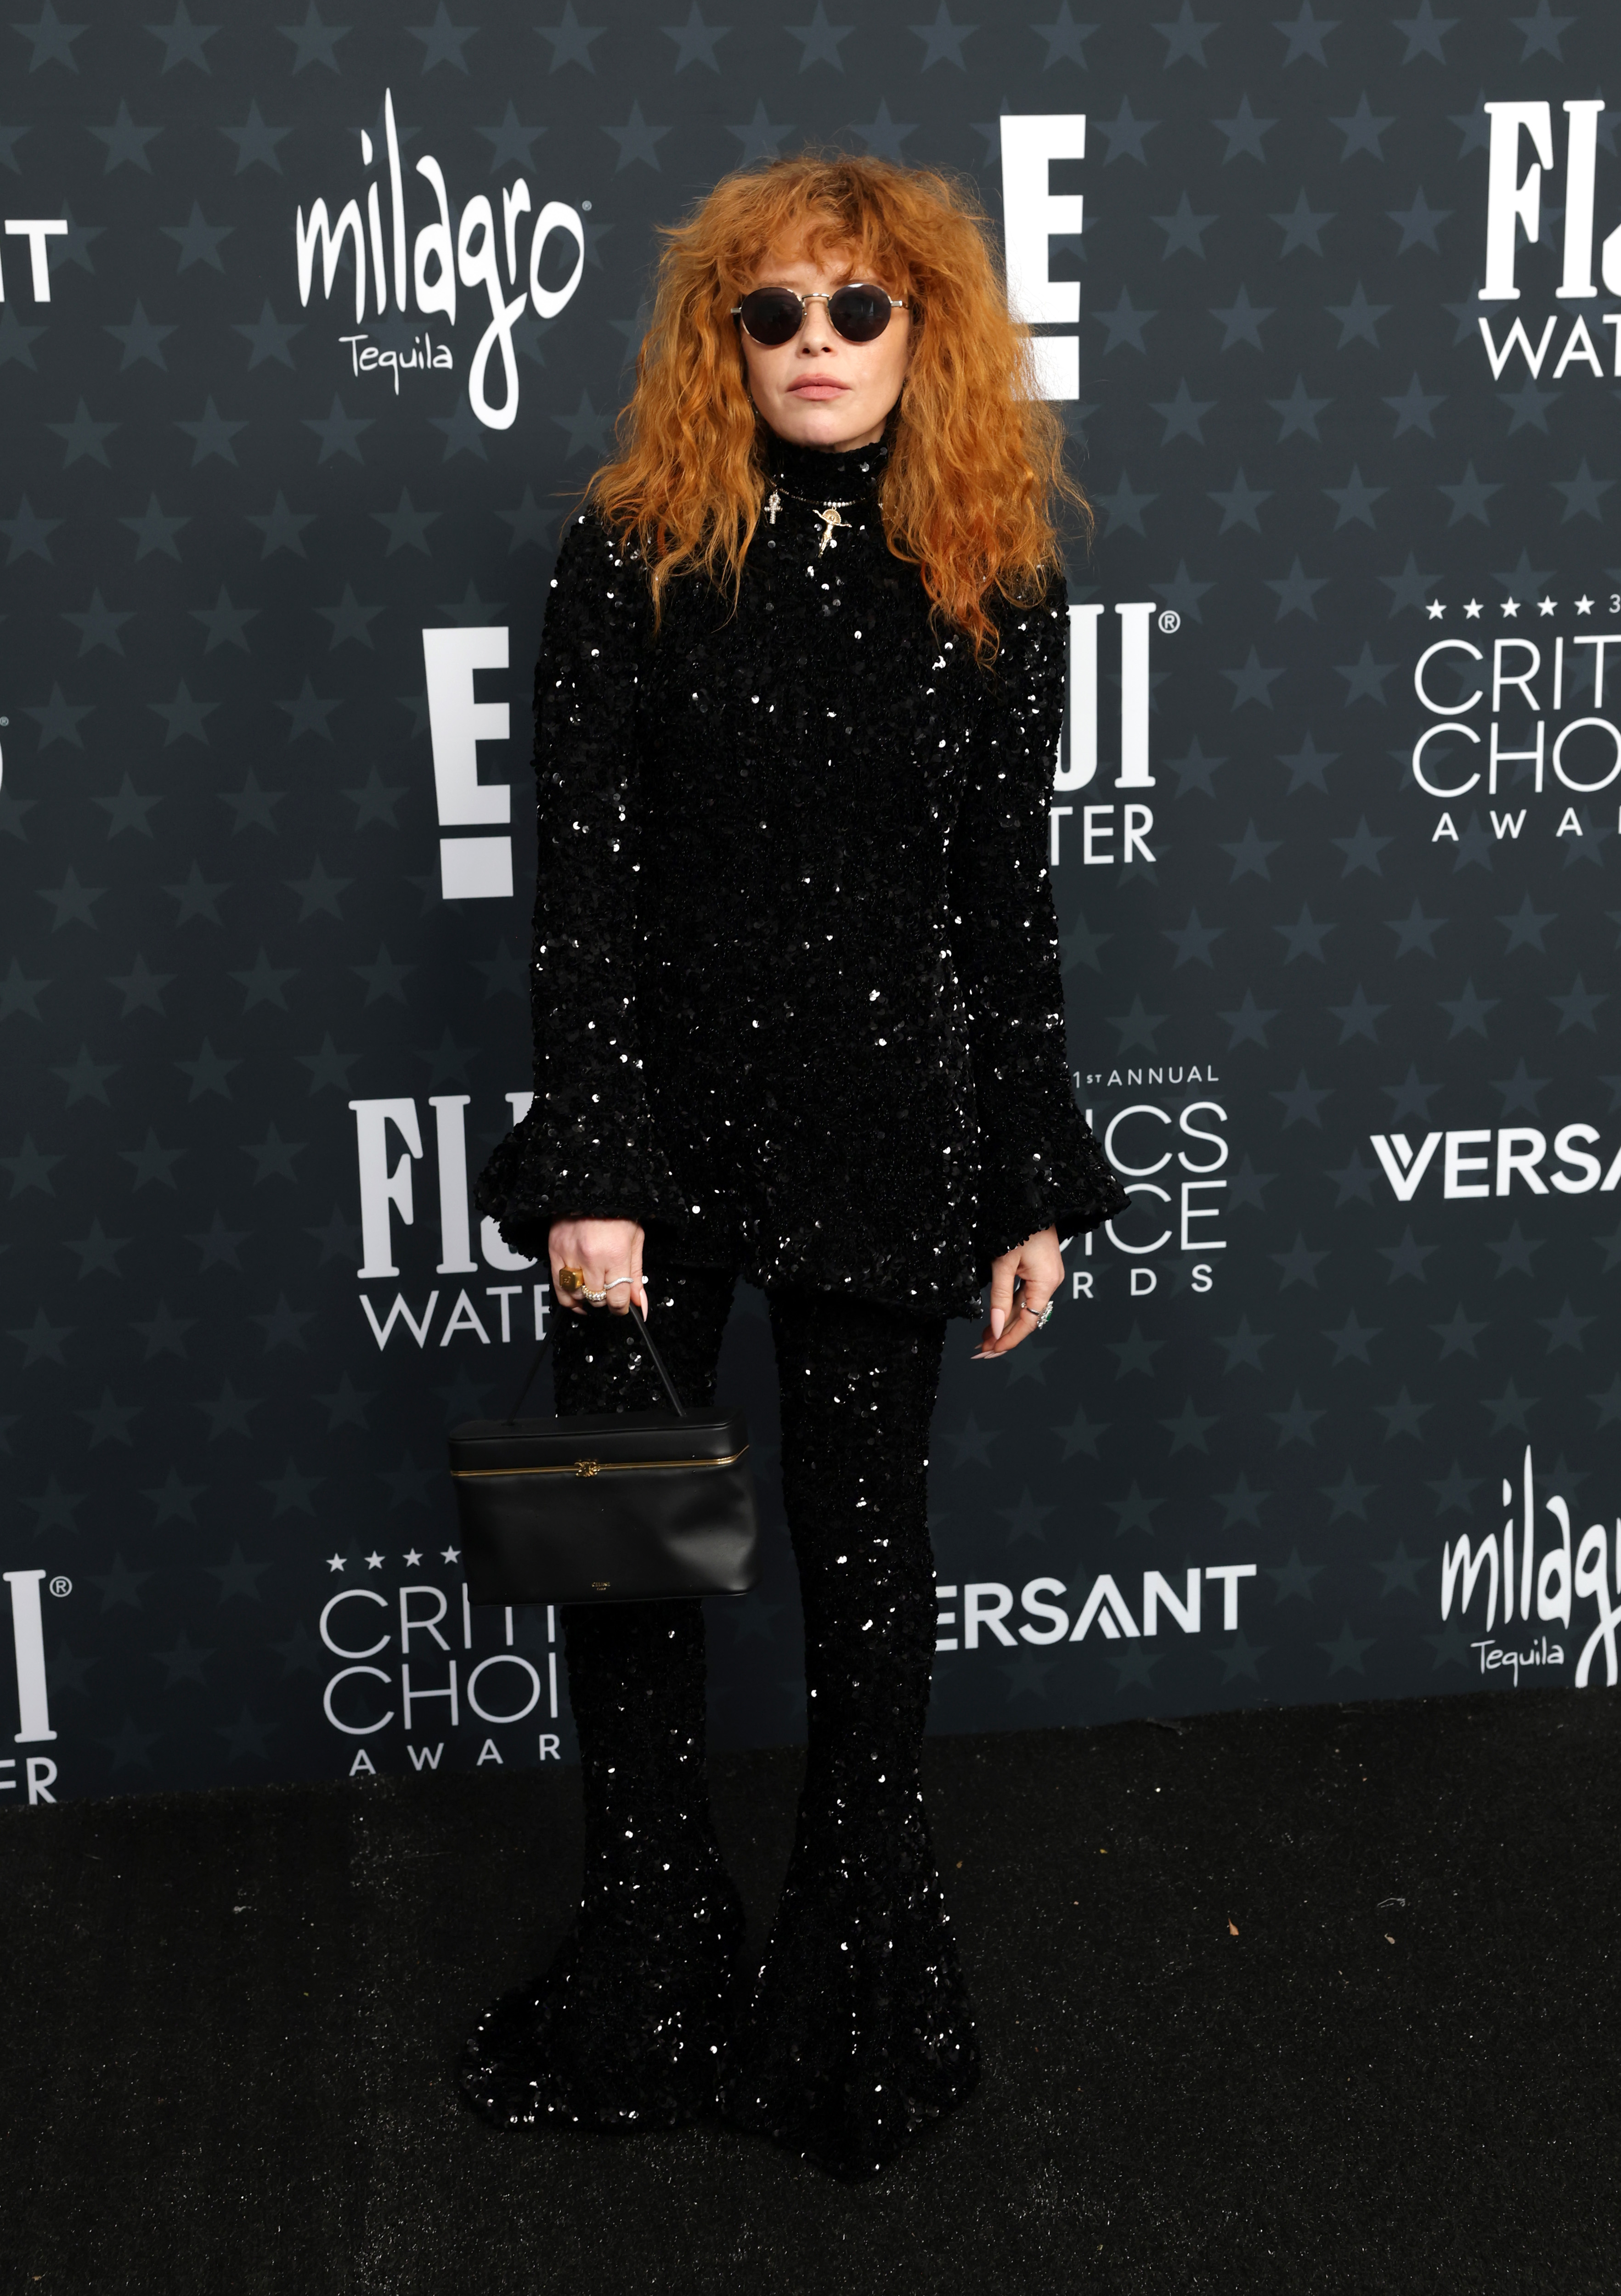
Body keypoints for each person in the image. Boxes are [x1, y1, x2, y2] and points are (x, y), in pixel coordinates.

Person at [460, 152, 1127, 2182]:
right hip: (650, 1151)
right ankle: (648, 1963)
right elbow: (581, 890)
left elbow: (1004, 912)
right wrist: (588, 1162)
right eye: (774, 313)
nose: (816, 346)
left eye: (856, 311)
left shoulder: (993, 571)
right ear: (716, 339)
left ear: (924, 333)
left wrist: (1029, 1172)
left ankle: (850, 1981)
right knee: (626, 1572)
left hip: (887, 1138)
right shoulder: (629, 555)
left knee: (867, 1585)